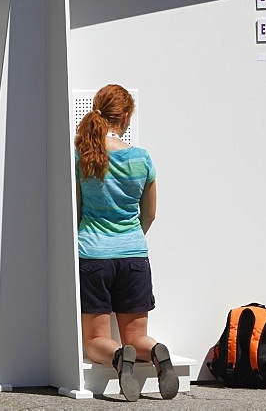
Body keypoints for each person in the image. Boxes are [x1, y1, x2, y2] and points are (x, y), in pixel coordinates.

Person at [75, 84, 177, 401]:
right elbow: (151, 214)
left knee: (95, 342)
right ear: (127, 115)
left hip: (92, 255)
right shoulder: (142, 159)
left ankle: (120, 359)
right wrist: (130, 239)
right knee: (139, 337)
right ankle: (158, 352)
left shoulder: (84, 157)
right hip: (134, 255)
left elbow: (75, 211)